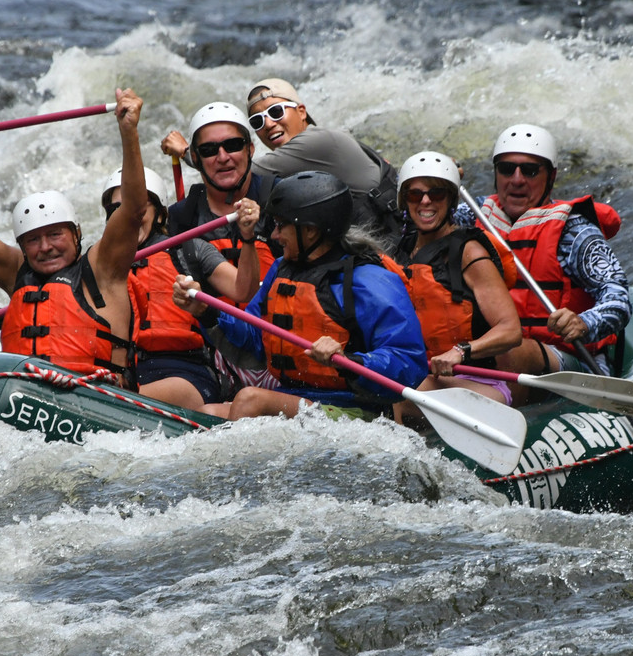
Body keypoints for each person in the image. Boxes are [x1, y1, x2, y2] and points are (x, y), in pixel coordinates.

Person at [0, 88, 148, 381]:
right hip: (23, 393)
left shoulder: (103, 269)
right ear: (22, 246)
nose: (45, 247)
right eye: (33, 240)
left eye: (55, 234)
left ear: (77, 234)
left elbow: (134, 209)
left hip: (97, 398)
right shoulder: (16, 272)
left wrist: (129, 132)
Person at [174, 171, 428, 422]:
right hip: (294, 397)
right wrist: (204, 311)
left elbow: (410, 362)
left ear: (310, 232)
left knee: (249, 400)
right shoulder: (282, 269)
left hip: (356, 410)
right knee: (208, 414)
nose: (274, 235)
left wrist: (351, 360)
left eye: (282, 225)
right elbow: (253, 339)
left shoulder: (370, 281)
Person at [476, 124, 631, 395]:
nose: (517, 179)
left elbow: (617, 296)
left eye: (530, 170)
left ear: (551, 176)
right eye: (506, 168)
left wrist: (584, 322)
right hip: (486, 355)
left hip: (570, 364)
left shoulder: (575, 231)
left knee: (510, 350)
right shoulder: (472, 216)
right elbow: (417, 212)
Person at [100, 165, 261, 410]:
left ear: (161, 214)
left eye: (139, 207)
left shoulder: (189, 250)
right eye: (118, 209)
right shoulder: (98, 264)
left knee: (130, 393)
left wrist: (248, 237)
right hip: (123, 374)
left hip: (187, 376)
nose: (129, 215)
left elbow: (244, 290)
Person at [391, 152, 522, 422]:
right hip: (425, 379)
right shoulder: (401, 253)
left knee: (393, 394)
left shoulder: (468, 253)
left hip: (480, 386)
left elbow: (510, 331)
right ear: (404, 200)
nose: (425, 201)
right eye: (415, 194)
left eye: (436, 194)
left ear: (450, 199)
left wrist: (461, 351)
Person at [161, 101, 282, 394]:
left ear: (251, 149)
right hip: (216, 349)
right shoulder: (182, 216)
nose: (223, 157)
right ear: (196, 158)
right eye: (209, 151)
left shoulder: (279, 199)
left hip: (276, 346)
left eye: (233, 145)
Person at [245, 77, 402, 240]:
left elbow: (241, 174)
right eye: (258, 121)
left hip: (389, 242)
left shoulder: (316, 143)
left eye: (276, 111)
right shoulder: (325, 137)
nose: (268, 124)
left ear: (301, 111)